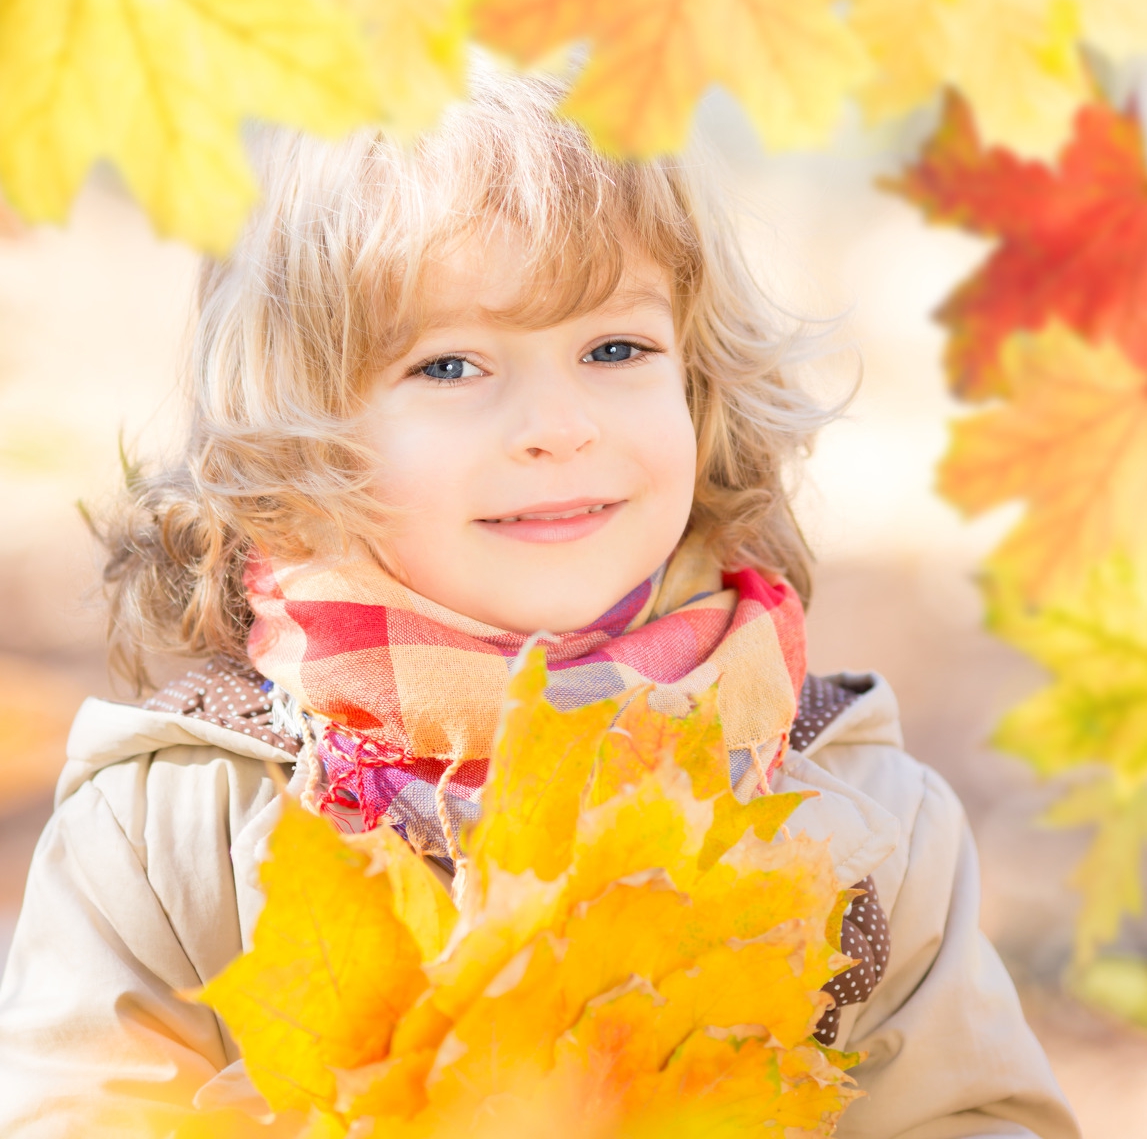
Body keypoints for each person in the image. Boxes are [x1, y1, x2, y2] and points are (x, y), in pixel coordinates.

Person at [0, 73, 1079, 1138]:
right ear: (297, 439)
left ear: (700, 384)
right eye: (452, 365)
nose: (558, 424)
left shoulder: (861, 817)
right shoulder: (175, 826)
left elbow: (971, 1115)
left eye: (615, 348)